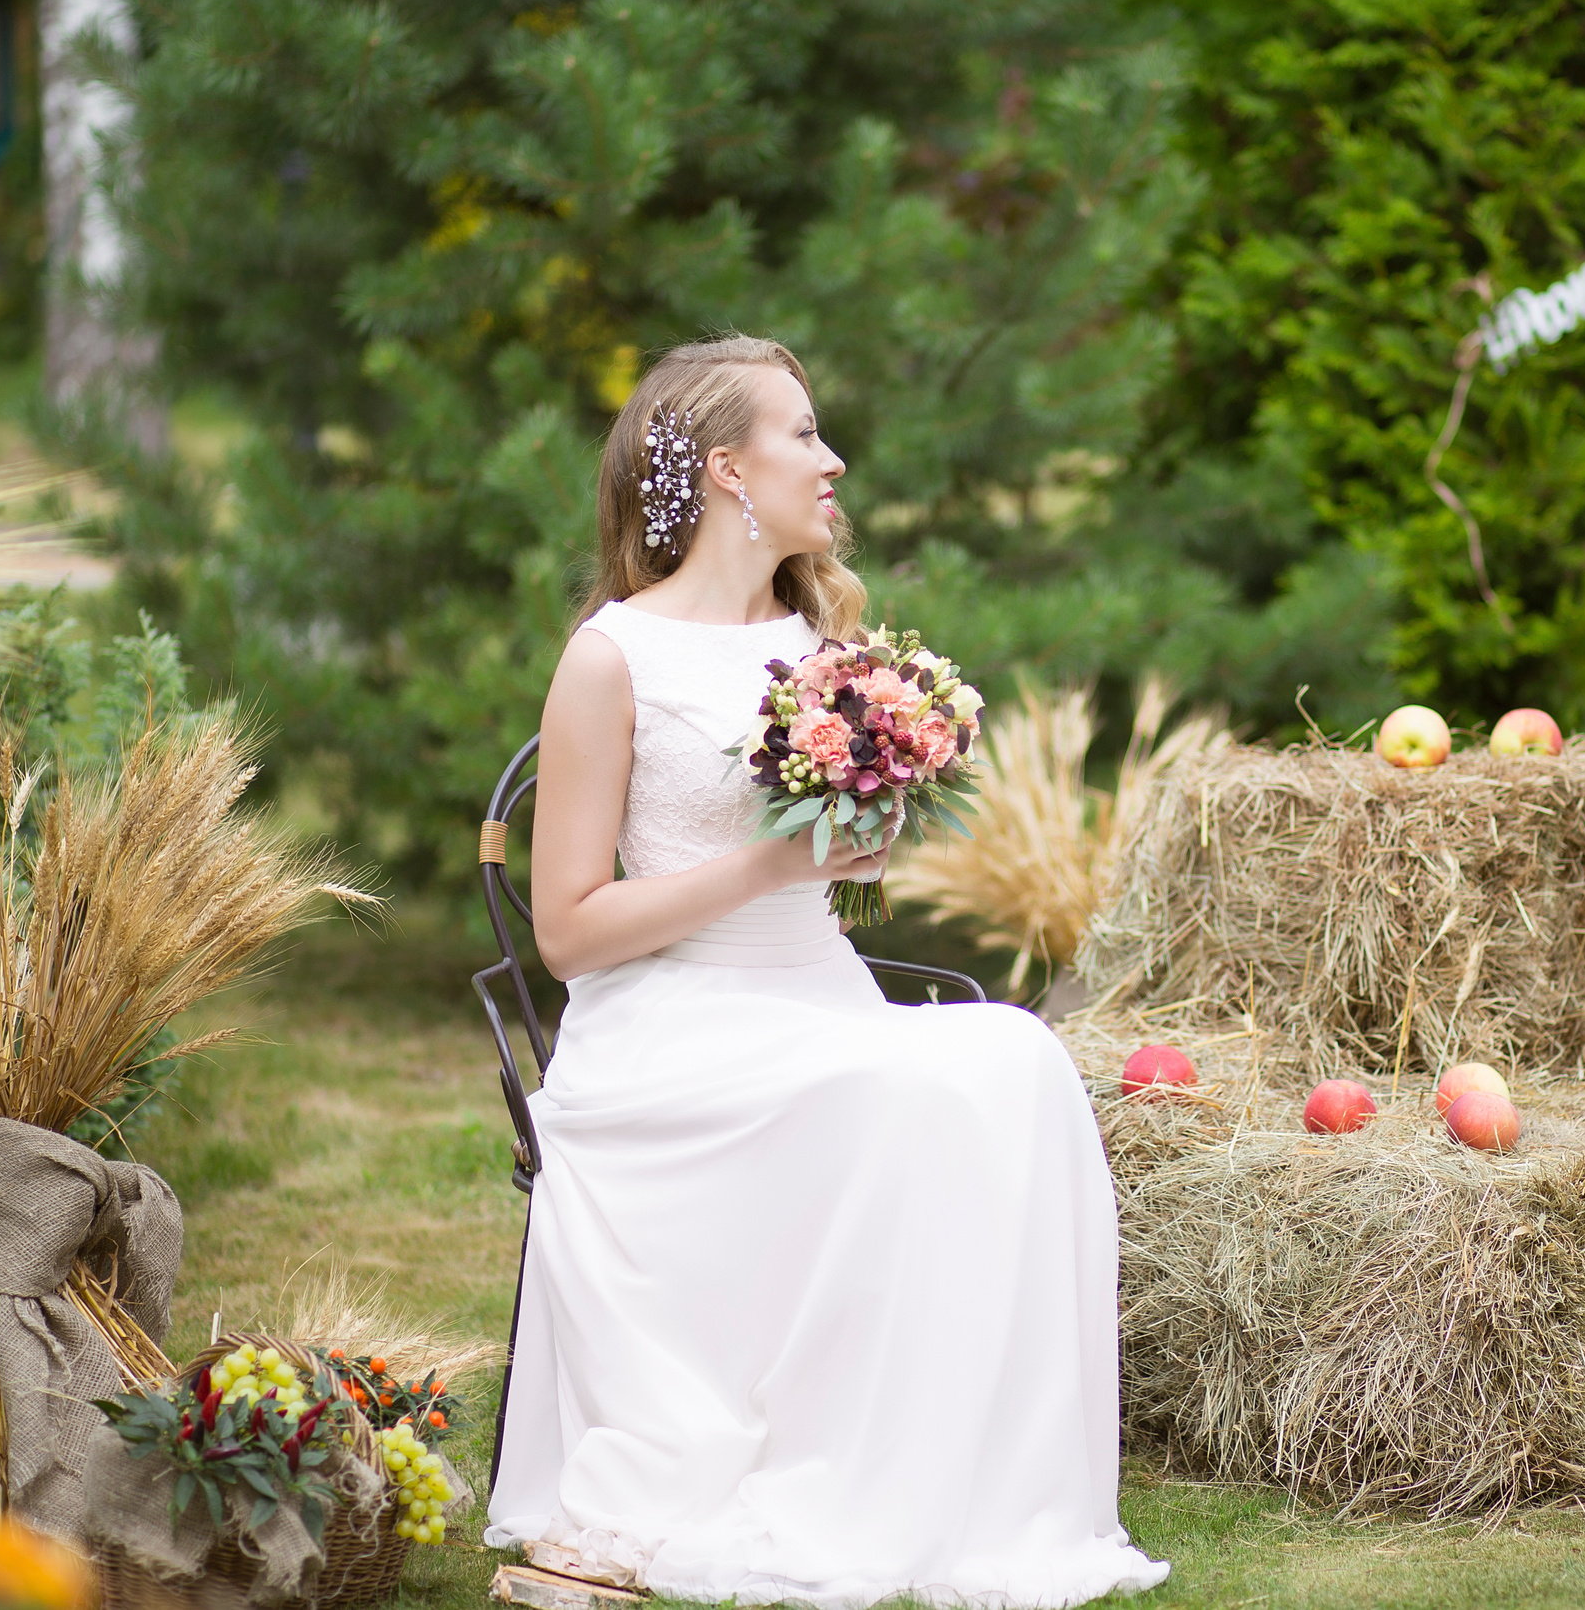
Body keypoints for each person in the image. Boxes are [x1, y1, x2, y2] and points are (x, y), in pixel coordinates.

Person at [482, 335, 1169, 1610]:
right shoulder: (612, 656)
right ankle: (807, 1469)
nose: (832, 459)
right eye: (804, 434)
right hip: (672, 1027)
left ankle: (944, 1478)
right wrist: (769, 866)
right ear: (727, 469)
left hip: (819, 1000)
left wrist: (861, 837)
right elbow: (567, 933)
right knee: (913, 1088)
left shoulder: (820, 645)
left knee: (1015, 1059)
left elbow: (829, 875)